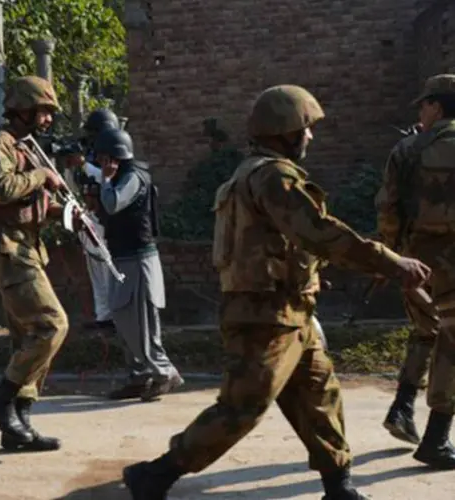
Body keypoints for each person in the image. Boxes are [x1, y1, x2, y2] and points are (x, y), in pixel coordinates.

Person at [122, 84, 432, 500]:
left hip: (288, 310)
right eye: (305, 128)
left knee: (320, 397)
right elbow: (319, 231)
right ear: (283, 130)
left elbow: (291, 244)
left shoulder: (250, 174)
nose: (310, 136)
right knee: (241, 408)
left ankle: (338, 487)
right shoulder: (273, 176)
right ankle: (155, 475)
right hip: (263, 315)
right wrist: (391, 262)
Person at [0, 75, 75, 453]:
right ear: (23, 107)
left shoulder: (25, 148)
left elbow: (31, 206)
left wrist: (68, 215)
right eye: (43, 111)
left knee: (27, 337)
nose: (47, 120)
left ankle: (19, 423)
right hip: (7, 249)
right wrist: (42, 176)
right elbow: (2, 189)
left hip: (26, 247)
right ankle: (0, 401)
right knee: (52, 325)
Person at [376, 73, 455, 469]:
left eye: (423, 104)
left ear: (437, 106)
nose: (420, 111)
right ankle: (437, 439)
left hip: (416, 263)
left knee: (426, 331)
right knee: (451, 342)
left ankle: (403, 408)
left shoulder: (405, 149)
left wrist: (390, 254)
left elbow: (388, 209)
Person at [94, 127, 183, 402]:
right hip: (123, 258)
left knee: (142, 323)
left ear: (113, 156)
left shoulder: (132, 177)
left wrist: (106, 181)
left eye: (102, 156)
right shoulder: (123, 175)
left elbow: (112, 204)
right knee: (122, 319)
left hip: (138, 260)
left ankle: (165, 372)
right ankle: (140, 376)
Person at [64, 108, 120, 331]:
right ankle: (103, 315)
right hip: (90, 216)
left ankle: (115, 316)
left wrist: (84, 165)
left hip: (108, 220)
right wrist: (72, 168)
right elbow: (72, 185)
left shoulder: (116, 154)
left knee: (108, 267)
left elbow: (109, 179)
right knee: (95, 268)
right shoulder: (89, 154)